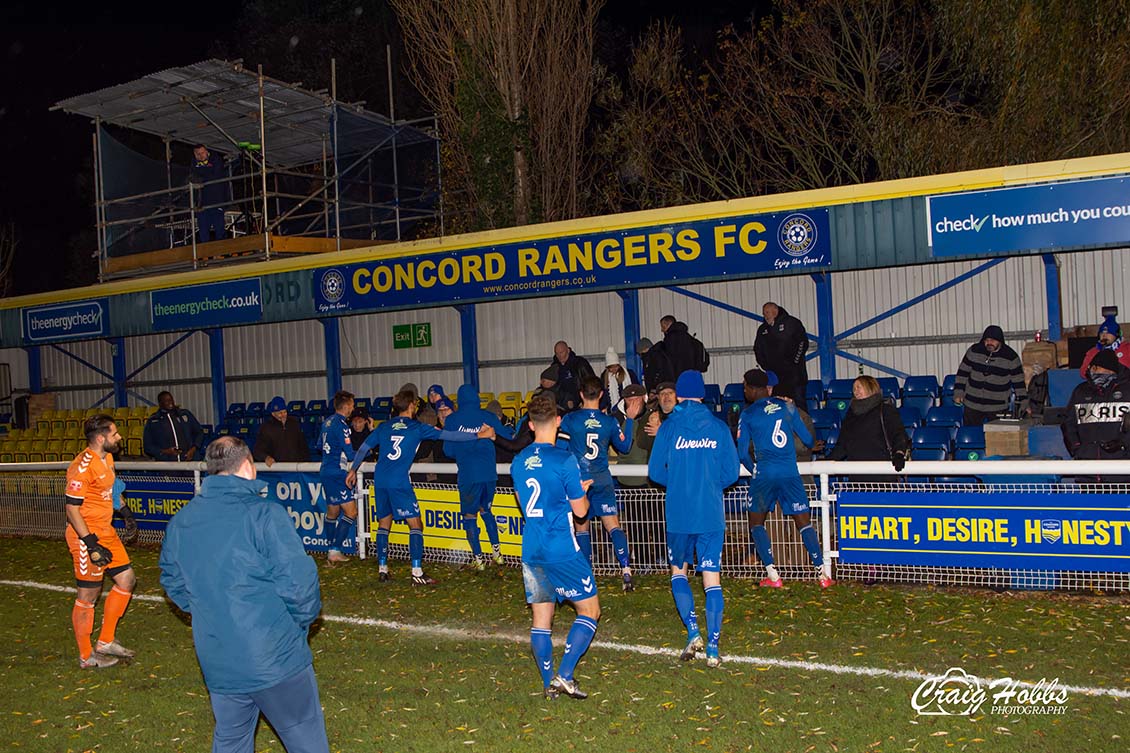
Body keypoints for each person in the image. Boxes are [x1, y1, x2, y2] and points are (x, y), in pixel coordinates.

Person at [159, 437, 328, 753]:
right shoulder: (265, 515)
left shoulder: (181, 521)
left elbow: (174, 583)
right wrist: (298, 628)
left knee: (231, 740)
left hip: (219, 658)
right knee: (305, 738)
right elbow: (300, 584)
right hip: (275, 657)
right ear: (248, 466)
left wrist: (210, 612)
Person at [510, 394, 600, 700]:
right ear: (558, 421)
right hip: (561, 548)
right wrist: (582, 490)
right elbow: (580, 512)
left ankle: (549, 682)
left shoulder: (519, 461)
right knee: (590, 610)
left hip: (532, 548)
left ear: (531, 425)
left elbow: (525, 505)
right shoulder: (564, 460)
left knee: (541, 620)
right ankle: (564, 674)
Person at [348, 389, 489, 584]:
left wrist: (353, 469)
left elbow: (364, 447)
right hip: (399, 481)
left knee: (383, 523)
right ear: (411, 406)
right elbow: (450, 435)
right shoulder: (417, 427)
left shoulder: (385, 426)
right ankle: (417, 572)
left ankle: (383, 568)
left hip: (380, 479)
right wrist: (478, 435)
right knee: (416, 524)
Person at [648, 371, 739, 668]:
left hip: (678, 514)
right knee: (712, 578)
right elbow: (732, 474)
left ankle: (693, 632)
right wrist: (710, 484)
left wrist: (678, 481)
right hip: (710, 513)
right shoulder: (718, 427)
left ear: (679, 394)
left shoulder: (669, 427)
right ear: (702, 394)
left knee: (679, 573)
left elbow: (655, 473)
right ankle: (713, 647)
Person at [737, 369, 833, 589]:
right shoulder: (787, 406)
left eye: (745, 388)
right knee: (803, 522)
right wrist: (811, 445)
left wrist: (755, 471)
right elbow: (808, 439)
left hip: (765, 475)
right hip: (790, 473)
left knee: (756, 523)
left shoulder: (748, 414)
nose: (744, 392)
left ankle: (773, 576)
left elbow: (742, 453)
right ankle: (822, 574)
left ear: (752, 389)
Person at [64, 414, 136, 668]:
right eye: (114, 434)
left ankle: (105, 641)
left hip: (105, 530)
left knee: (127, 579)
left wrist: (125, 512)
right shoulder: (81, 466)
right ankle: (86, 655)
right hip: (86, 534)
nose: (119, 438)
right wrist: (91, 544)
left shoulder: (107, 457)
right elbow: (72, 509)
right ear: (100, 437)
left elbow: (112, 490)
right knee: (89, 593)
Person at [559, 377, 642, 590]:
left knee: (582, 528)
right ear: (602, 395)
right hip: (602, 479)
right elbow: (624, 447)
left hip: (580, 481)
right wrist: (630, 419)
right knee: (613, 526)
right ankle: (626, 570)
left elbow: (561, 448)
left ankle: (587, 575)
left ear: (581, 394)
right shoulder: (609, 422)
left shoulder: (570, 419)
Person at [444, 384, 516, 570]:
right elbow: (507, 437)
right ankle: (497, 554)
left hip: (468, 474)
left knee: (470, 516)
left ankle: (478, 559)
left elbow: (448, 450)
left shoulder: (453, 419)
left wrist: (465, 445)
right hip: (489, 474)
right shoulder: (488, 417)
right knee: (486, 511)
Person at [1062, 350, 1130, 483]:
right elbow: (1068, 423)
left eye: (1099, 368)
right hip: (1087, 471)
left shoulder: (1127, 391)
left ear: (1111, 370)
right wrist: (1076, 448)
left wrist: (1123, 444)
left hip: (1121, 471)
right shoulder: (1080, 392)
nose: (1095, 371)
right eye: (1093, 368)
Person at [827, 376, 910, 473]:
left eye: (859, 387)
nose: (855, 391)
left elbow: (898, 434)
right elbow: (843, 444)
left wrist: (899, 453)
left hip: (882, 472)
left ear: (870, 387)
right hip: (856, 473)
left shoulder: (885, 410)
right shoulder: (851, 414)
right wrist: (828, 460)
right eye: (854, 389)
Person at [953, 325, 1027, 426]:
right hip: (972, 404)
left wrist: (1024, 403)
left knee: (997, 438)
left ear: (1000, 341)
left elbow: (1019, 383)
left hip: (997, 407)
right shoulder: (974, 351)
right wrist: (958, 393)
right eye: (986, 340)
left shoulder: (1011, 357)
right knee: (972, 434)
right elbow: (962, 373)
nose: (989, 343)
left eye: (992, 340)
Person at [319, 391, 358, 563]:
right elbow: (350, 453)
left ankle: (330, 549)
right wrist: (367, 452)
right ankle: (335, 549)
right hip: (337, 472)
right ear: (347, 405)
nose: (353, 408)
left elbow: (320, 445)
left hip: (326, 469)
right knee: (351, 512)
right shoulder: (341, 425)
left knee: (333, 511)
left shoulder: (326, 422)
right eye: (352, 405)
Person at [753, 303, 809, 406]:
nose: (765, 315)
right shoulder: (762, 330)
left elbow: (803, 342)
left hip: (794, 376)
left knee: (798, 404)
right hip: (775, 377)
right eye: (764, 313)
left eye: (767, 312)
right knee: (777, 405)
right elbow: (757, 349)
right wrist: (765, 366)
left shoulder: (792, 323)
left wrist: (795, 362)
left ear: (775, 311)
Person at [142, 391, 203, 462]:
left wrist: (193, 449)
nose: (170, 402)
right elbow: (148, 447)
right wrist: (165, 451)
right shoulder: (153, 421)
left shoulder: (185, 414)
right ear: (160, 403)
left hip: (188, 462)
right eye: (166, 401)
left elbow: (199, 432)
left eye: (171, 399)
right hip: (167, 465)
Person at [253, 396, 309, 465]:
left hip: (296, 468)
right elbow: (258, 450)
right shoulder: (266, 428)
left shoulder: (294, 424)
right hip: (277, 470)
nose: (283, 415)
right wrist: (266, 457)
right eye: (279, 413)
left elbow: (303, 446)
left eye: (284, 412)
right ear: (273, 414)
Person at [189, 144, 229, 243]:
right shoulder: (193, 163)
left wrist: (201, 179)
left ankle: (222, 252)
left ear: (207, 151)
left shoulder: (215, 159)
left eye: (202, 153)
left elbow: (216, 175)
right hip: (201, 203)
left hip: (216, 201)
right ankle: (205, 254)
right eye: (197, 154)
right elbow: (192, 177)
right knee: (203, 230)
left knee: (219, 228)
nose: (200, 156)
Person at [550, 341, 595, 412]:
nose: (559, 356)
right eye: (557, 353)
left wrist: (584, 401)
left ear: (568, 350)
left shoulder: (580, 363)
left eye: (561, 352)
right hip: (563, 405)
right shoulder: (554, 367)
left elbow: (591, 383)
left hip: (580, 404)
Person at [599, 347, 641, 419]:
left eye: (616, 366)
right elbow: (604, 394)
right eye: (611, 367)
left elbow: (637, 390)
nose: (614, 369)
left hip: (627, 408)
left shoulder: (629, 374)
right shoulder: (604, 377)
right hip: (611, 411)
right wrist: (602, 407)